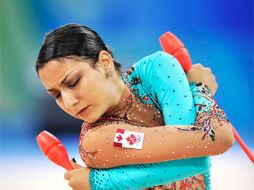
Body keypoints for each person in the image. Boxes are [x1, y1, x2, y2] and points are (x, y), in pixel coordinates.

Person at [36, 24, 234, 190]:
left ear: (105, 62)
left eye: (73, 82)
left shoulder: (158, 68)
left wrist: (100, 182)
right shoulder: (96, 140)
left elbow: (205, 146)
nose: (69, 102)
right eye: (57, 95)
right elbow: (210, 144)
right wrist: (199, 89)